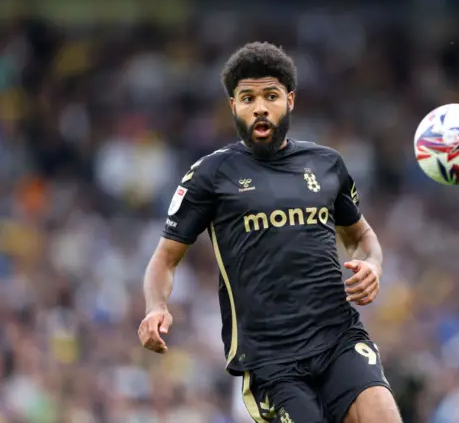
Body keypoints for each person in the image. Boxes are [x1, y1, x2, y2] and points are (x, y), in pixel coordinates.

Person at [137, 42, 402, 423]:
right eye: (247, 98)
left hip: (338, 337)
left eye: (271, 96)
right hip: (270, 361)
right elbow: (164, 259)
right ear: (233, 107)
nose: (259, 106)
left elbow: (361, 237)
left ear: (290, 100)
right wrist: (156, 307)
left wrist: (372, 265)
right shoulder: (210, 175)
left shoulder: (327, 164)